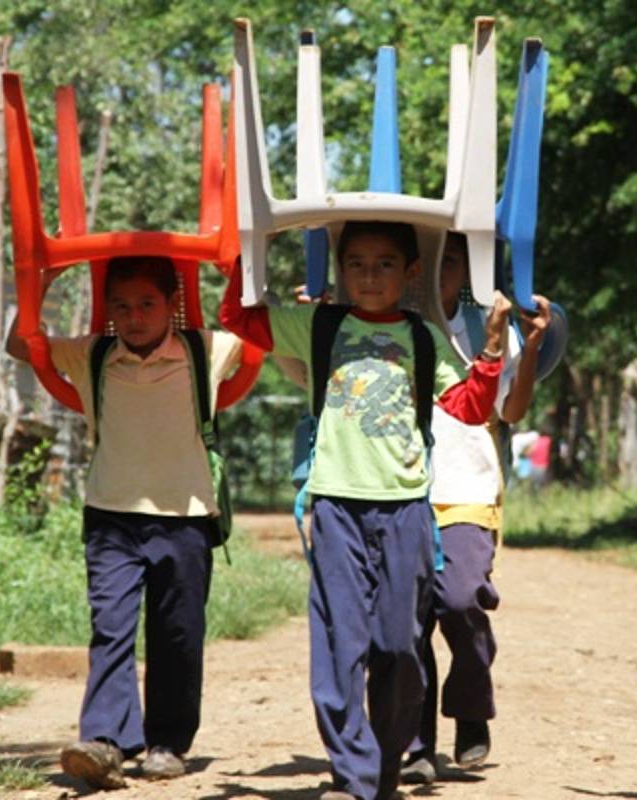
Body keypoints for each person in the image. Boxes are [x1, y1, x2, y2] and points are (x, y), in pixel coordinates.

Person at [220, 220, 512, 800]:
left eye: (384, 265)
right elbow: (239, 320)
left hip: (405, 511)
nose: (368, 276)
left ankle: (380, 772)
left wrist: (495, 345)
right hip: (336, 509)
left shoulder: (424, 337)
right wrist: (248, 249)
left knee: (400, 647)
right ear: (340, 270)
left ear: (409, 275)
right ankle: (353, 774)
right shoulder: (320, 325)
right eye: (355, 263)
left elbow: (472, 406)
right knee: (339, 645)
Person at [6, 255, 243, 790]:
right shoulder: (94, 355)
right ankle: (105, 740)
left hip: (184, 520)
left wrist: (238, 271)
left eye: (146, 304)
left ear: (173, 306)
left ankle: (166, 742)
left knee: (177, 633)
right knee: (110, 625)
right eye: (121, 306)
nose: (133, 317)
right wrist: (37, 286)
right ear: (107, 311)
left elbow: (256, 337)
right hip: (110, 516)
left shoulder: (205, 351)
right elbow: (21, 346)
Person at [401, 231, 552, 784]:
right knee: (408, 618)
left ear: (466, 271)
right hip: (398, 490)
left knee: (461, 600)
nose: (437, 272)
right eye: (428, 262)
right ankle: (415, 744)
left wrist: (530, 346)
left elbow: (511, 408)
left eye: (452, 261)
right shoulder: (389, 327)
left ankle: (469, 708)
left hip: (468, 487)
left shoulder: (489, 327)